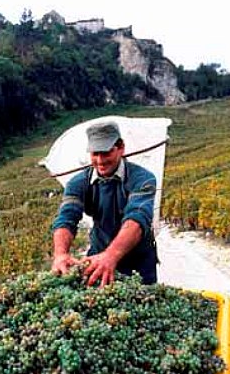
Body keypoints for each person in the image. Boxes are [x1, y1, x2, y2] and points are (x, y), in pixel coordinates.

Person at [51, 120, 158, 287]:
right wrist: (60, 254)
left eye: (106, 152)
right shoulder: (78, 183)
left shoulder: (143, 179)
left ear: (121, 148)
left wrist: (111, 255)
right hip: (98, 256)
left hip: (139, 262)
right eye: (95, 154)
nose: (100, 160)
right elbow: (66, 217)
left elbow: (137, 218)